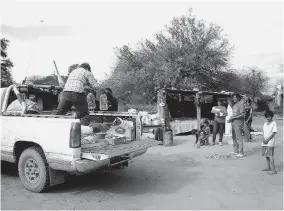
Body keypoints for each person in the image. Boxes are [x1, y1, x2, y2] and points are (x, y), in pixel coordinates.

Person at [227, 93, 245, 158]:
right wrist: (231, 119)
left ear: (238, 98)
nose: (233, 99)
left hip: (238, 123)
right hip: (233, 123)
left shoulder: (241, 104)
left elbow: (243, 115)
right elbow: (234, 114)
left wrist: (234, 118)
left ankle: (241, 152)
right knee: (233, 137)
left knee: (239, 138)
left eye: (235, 97)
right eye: (233, 97)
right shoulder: (234, 105)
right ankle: (236, 151)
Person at [262, 110, 277, 174]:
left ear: (272, 117)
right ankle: (268, 167)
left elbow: (273, 133)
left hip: (270, 141)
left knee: (270, 155)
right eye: (267, 117)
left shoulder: (274, 123)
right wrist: (263, 139)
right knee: (266, 155)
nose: (268, 118)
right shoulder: (265, 124)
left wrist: (267, 140)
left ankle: (274, 170)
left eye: (269, 117)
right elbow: (263, 132)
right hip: (264, 142)